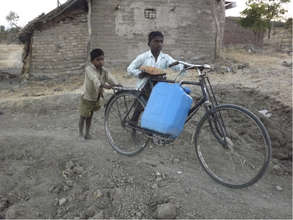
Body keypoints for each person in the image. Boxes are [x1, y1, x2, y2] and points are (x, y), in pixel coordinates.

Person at [127, 31, 185, 122]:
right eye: (156, 41)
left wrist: (186, 66)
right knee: (138, 110)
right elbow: (130, 69)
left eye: (161, 42)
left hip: (158, 87)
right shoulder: (143, 57)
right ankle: (133, 125)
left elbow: (177, 66)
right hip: (144, 87)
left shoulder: (165, 58)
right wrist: (140, 74)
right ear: (149, 43)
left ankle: (150, 129)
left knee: (155, 110)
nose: (159, 44)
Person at [79, 48, 119, 140]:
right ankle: (80, 134)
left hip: (95, 98)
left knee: (90, 116)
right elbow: (95, 80)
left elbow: (110, 78)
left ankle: (87, 133)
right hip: (86, 97)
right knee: (83, 116)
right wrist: (105, 86)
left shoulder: (104, 71)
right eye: (98, 60)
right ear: (92, 61)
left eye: (102, 59)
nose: (101, 62)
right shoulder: (88, 69)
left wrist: (117, 84)